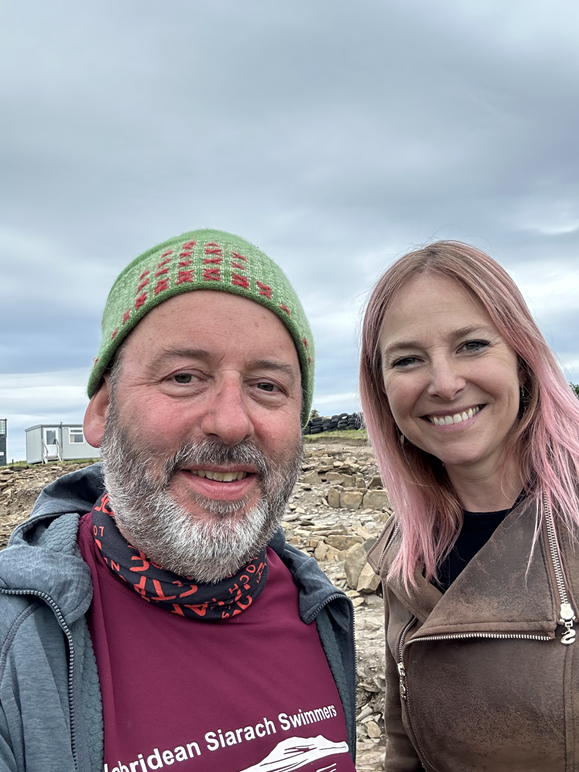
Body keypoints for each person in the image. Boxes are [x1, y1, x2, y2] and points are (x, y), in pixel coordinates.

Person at [0, 229, 356, 772]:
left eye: (267, 386)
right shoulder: (16, 649)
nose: (232, 422)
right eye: (184, 376)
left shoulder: (322, 611)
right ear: (101, 411)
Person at [359, 240, 579, 771]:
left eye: (472, 345)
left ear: (523, 359)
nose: (445, 383)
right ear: (382, 389)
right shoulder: (404, 553)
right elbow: (403, 745)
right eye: (408, 359)